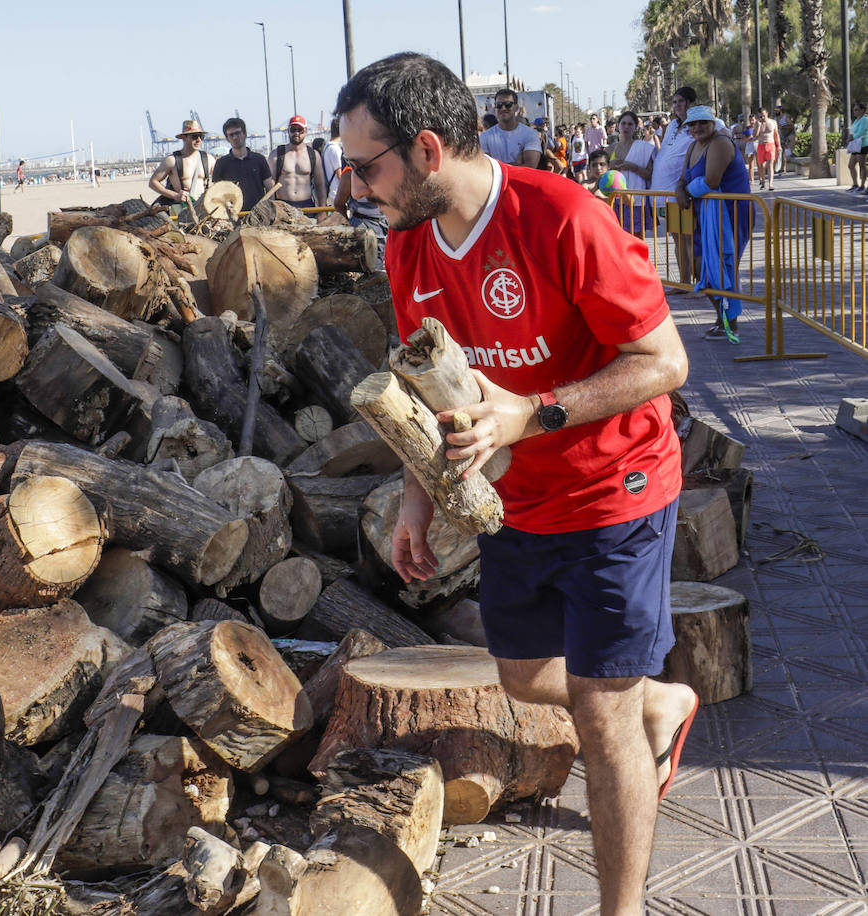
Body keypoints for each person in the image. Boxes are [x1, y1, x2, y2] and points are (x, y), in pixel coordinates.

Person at [334, 51, 695, 916]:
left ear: (425, 150)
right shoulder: (409, 247)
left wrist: (528, 415)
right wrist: (418, 500)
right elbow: (430, 383)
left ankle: (623, 908)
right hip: (512, 505)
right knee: (529, 677)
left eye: (364, 164)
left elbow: (665, 361)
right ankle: (666, 698)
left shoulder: (563, 215)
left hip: (618, 490)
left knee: (598, 717)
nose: (354, 185)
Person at [676, 105, 752, 343]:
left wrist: (685, 191)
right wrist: (680, 188)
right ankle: (722, 318)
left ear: (712, 123)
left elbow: (711, 181)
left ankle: (730, 323)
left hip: (729, 215)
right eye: (693, 124)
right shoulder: (691, 147)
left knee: (723, 267)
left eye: (703, 123)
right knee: (701, 268)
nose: (697, 128)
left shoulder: (720, 142)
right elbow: (682, 179)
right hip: (703, 216)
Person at [650, 87, 709, 284]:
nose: (677, 106)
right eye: (674, 102)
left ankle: (698, 283)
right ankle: (684, 283)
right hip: (662, 193)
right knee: (677, 238)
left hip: (680, 193)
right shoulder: (672, 126)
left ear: (691, 103)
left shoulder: (698, 126)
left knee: (689, 238)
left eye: (681, 101)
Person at [608, 110, 657, 238]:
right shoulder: (610, 149)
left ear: (635, 127)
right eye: (623, 123)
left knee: (637, 240)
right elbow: (601, 174)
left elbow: (650, 175)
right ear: (618, 125)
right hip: (615, 201)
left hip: (636, 201)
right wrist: (610, 168)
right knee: (618, 239)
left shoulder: (644, 148)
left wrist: (633, 167)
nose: (626, 127)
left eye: (630, 124)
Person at [148, 119, 217, 209]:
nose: (199, 140)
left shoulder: (209, 159)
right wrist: (175, 195)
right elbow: (153, 182)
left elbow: (220, 182)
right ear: (184, 138)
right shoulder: (172, 160)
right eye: (194, 136)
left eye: (201, 136)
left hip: (203, 208)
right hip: (182, 208)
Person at [213, 117, 275, 211]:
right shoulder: (221, 163)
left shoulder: (259, 160)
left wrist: (270, 211)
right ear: (227, 138)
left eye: (237, 133)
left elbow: (270, 189)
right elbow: (217, 192)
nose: (235, 137)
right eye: (231, 135)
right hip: (233, 216)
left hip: (259, 216)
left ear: (245, 134)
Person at [268, 115, 327, 208]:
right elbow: (270, 184)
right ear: (288, 131)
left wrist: (323, 209)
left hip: (307, 206)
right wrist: (270, 209)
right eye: (293, 129)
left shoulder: (313, 155)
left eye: (300, 130)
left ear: (306, 131)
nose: (296, 133)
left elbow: (320, 184)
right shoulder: (276, 155)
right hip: (283, 206)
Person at [479, 89, 541, 169]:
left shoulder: (530, 134)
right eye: (499, 105)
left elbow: (530, 167)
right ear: (495, 108)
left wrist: (498, 167)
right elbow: (485, 169)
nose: (503, 108)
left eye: (508, 104)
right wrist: (516, 164)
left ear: (516, 107)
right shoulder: (485, 137)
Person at [752, 108, 781, 190]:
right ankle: (763, 182)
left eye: (763, 115)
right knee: (762, 166)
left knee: (770, 164)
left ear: (767, 113)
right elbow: (755, 136)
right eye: (760, 116)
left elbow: (776, 135)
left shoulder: (773, 122)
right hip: (761, 145)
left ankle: (770, 184)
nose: (762, 117)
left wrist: (779, 145)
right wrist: (759, 126)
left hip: (771, 144)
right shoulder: (757, 123)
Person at [845, 102, 867, 192]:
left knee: (862, 165)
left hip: (863, 144)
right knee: (851, 165)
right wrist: (850, 137)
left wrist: (852, 137)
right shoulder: (856, 120)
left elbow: (861, 131)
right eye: (854, 110)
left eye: (856, 110)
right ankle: (855, 184)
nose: (854, 111)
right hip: (855, 145)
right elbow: (853, 131)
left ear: (862, 110)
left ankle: (862, 186)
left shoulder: (865, 119)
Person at [775, 105, 794, 175]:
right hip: (780, 137)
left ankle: (784, 169)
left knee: (785, 153)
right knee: (781, 153)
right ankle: (782, 168)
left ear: (781, 111)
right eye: (776, 111)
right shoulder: (776, 118)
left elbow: (792, 126)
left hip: (787, 137)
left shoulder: (786, 117)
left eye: (777, 110)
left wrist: (782, 127)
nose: (776, 112)